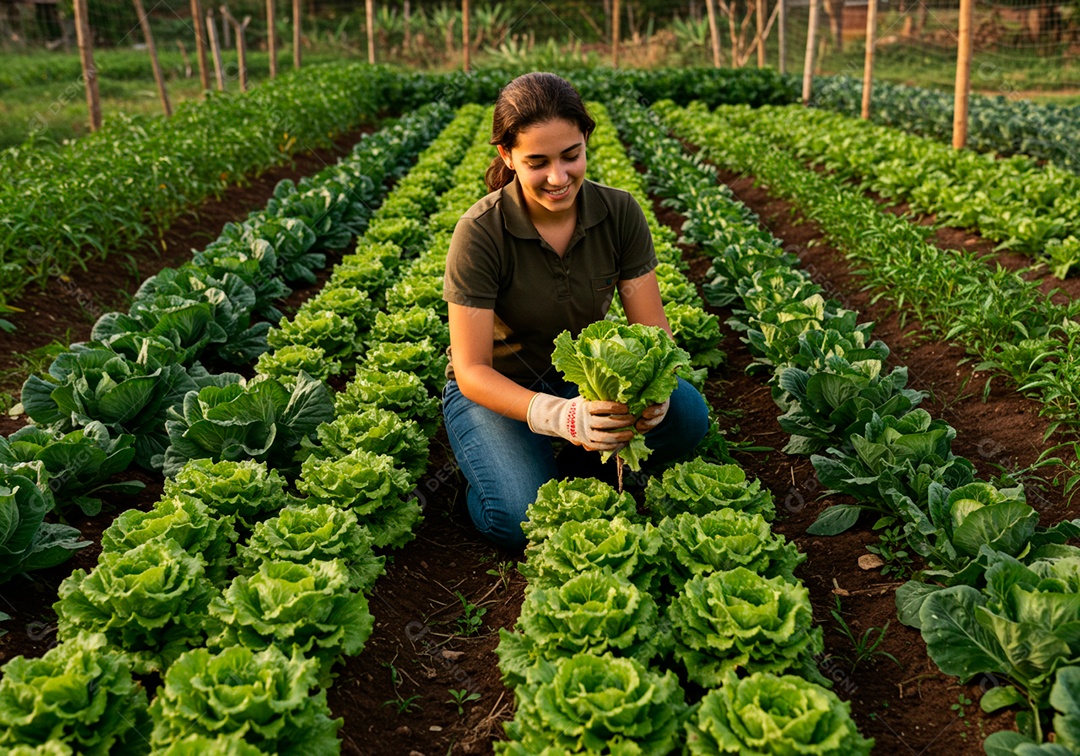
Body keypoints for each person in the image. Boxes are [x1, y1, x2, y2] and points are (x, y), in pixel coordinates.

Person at [441, 72, 710, 551]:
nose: (558, 177)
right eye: (537, 162)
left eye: (571, 155)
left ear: (586, 140)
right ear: (507, 156)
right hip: (498, 391)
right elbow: (471, 370)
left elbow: (654, 330)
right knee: (519, 517)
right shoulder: (480, 232)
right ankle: (501, 468)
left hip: (584, 377)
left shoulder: (620, 213)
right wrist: (555, 415)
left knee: (687, 414)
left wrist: (655, 392)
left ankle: (575, 451)